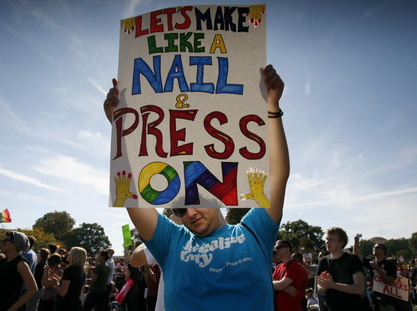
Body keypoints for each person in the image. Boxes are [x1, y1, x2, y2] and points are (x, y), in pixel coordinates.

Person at [104, 64, 289, 311]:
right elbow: (131, 192)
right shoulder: (170, 241)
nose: (189, 213)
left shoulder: (255, 231)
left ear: (219, 195)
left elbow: (277, 174)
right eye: (180, 209)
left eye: (196, 200)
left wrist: (271, 108)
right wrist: (120, 127)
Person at [0, 231, 38, 311]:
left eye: (5, 241)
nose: (2, 243)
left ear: (15, 244)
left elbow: (33, 289)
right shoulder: (3, 262)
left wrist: (12, 309)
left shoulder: (21, 264)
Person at [316, 227, 365, 311]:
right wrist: (324, 286)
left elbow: (360, 289)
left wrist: (332, 285)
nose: (327, 242)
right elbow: (319, 287)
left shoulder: (353, 259)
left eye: (331, 239)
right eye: (326, 239)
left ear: (341, 242)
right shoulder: (323, 261)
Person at [353, 239, 401, 311]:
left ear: (383, 251)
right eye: (373, 247)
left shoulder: (389, 264)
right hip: (375, 299)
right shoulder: (371, 262)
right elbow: (357, 256)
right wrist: (356, 242)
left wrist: (377, 269)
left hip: (388, 300)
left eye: (377, 247)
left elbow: (390, 281)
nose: (374, 248)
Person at [273, 240, 309, 311]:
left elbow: (278, 285)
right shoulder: (279, 266)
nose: (275, 250)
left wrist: (281, 286)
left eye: (278, 247)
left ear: (287, 249)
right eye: (275, 248)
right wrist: (285, 287)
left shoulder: (295, 266)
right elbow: (270, 282)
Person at [54, 247, 87, 311]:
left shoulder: (69, 271)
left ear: (74, 256)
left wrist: (56, 283)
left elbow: (62, 293)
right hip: (77, 303)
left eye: (70, 253)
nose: (68, 254)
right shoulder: (82, 271)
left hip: (66, 305)